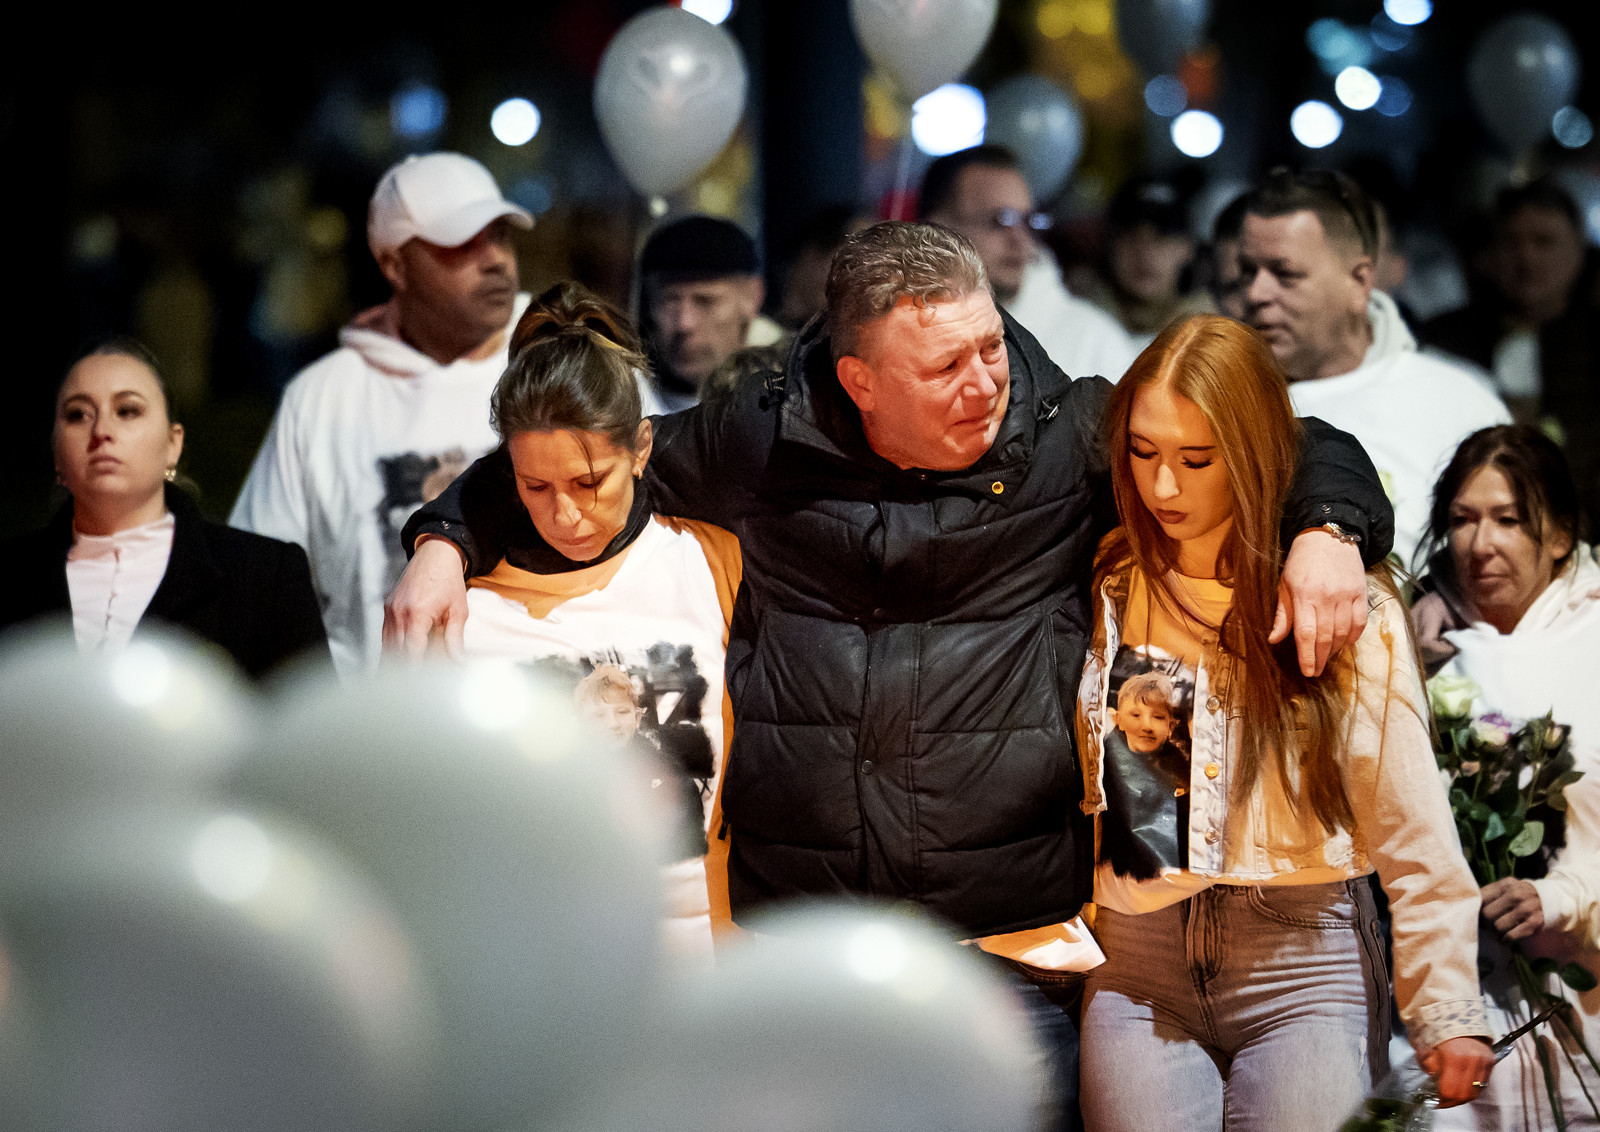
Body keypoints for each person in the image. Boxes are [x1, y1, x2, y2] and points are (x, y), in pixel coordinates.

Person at [388, 222, 1396, 1130]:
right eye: (946, 365)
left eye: (989, 345)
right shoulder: (759, 434)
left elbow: (1290, 443)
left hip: (1010, 958)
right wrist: (444, 539)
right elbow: (581, 461)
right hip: (805, 955)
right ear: (860, 381)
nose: (985, 382)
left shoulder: (1072, 434)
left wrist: (1328, 527)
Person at [1077, 313, 1493, 1130]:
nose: (1164, 487)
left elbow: (1411, 820)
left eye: (1197, 459)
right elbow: (1134, 804)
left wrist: (1447, 1005)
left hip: (1300, 957)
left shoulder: (1338, 600)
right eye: (1143, 452)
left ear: (1254, 451)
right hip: (1136, 952)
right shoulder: (1114, 575)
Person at [446, 282, 742, 963]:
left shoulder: (708, 558)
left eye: (589, 483)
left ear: (641, 449)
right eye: (535, 487)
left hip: (709, 955)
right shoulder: (460, 604)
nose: (566, 515)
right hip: (538, 961)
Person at [228, 152, 534, 675]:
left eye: (500, 235)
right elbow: (255, 590)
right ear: (395, 265)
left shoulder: (571, 367)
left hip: (541, 715)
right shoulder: (321, 398)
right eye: (462, 243)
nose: (495, 259)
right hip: (374, 718)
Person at [1411, 426, 1600, 1130]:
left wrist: (1561, 897)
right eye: (1463, 520)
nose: (1481, 544)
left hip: (1584, 1007)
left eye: (1509, 519)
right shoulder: (1416, 647)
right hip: (1453, 1022)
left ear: (1561, 535)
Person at [1, 341, 328, 678]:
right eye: (77, 415)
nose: (101, 432)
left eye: (127, 411)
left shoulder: (265, 577)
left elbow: (308, 708)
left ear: (173, 444)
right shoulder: (9, 577)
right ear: (57, 453)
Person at [1238, 167, 1511, 567]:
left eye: (1286, 274)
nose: (1255, 293)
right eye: (1248, 271)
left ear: (1359, 281)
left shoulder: (1460, 405)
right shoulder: (1209, 405)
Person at [1424, 182, 1600, 541]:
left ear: (1579, 253)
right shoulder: (1446, 341)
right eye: (1511, 242)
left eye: (1544, 242)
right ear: (1488, 254)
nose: (1526, 258)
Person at [920, 144, 1136, 382]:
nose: (1020, 240)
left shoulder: (1095, 343)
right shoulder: (899, 329)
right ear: (935, 231)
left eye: (1027, 221)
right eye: (1000, 220)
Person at [636, 215, 786, 413]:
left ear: (753, 296)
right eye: (669, 300)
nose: (684, 323)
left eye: (705, 301)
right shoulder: (621, 403)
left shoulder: (792, 397)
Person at [1089, 177, 1213, 350]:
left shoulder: (1211, 339)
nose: (1145, 252)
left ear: (1187, 248)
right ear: (1110, 245)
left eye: (1162, 236)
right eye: (1131, 235)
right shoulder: (1081, 326)